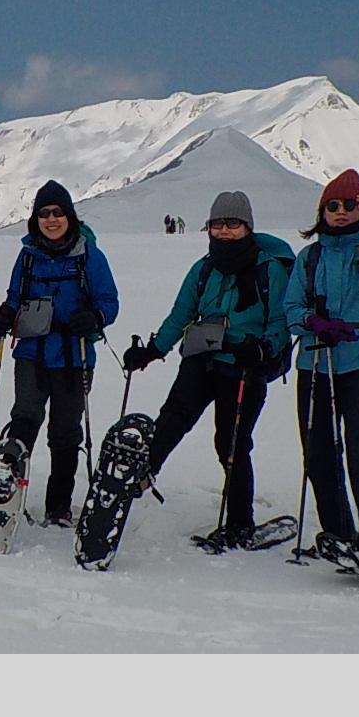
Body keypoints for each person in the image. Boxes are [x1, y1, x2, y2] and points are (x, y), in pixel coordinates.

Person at [123, 191, 295, 547]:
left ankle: (239, 524)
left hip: (245, 367)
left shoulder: (270, 269)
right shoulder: (203, 268)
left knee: (231, 444)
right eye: (218, 224)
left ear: (248, 227)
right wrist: (154, 351)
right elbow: (181, 314)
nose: (225, 232)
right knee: (171, 420)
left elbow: (281, 320)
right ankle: (133, 481)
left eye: (233, 224)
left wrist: (263, 348)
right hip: (202, 358)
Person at [283, 169, 359, 571]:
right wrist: (312, 322)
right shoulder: (311, 255)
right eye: (332, 206)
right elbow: (291, 307)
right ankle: (338, 533)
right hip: (316, 359)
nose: (339, 213)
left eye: (349, 205)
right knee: (318, 452)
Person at [0, 181, 118, 525]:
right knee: (24, 419)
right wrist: (4, 312)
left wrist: (95, 318)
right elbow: (16, 295)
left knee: (65, 432)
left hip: (74, 355)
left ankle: (58, 507)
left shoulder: (89, 255)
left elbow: (109, 302)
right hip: (31, 351)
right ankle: (6, 495)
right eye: (44, 213)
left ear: (70, 216)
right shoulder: (28, 255)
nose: (51, 219)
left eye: (58, 212)